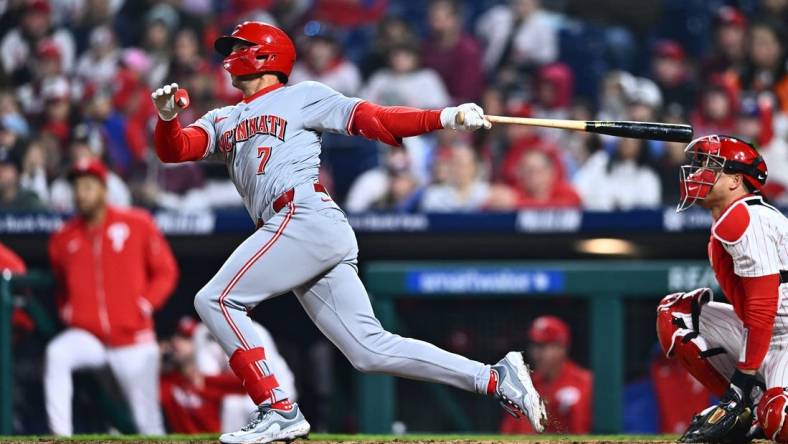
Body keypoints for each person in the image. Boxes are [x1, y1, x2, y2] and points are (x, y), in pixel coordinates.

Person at [150, 21, 546, 444]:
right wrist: (168, 119)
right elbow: (175, 150)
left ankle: (277, 408)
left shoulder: (302, 96)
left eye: (239, 46)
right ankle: (492, 378)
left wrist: (444, 117)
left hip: (302, 213)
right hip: (302, 228)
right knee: (369, 350)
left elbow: (372, 119)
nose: (230, 54)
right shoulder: (223, 117)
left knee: (216, 299)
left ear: (265, 54)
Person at [656, 135, 788, 442]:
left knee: (779, 420)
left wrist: (741, 380)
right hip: (766, 333)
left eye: (710, 166)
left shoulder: (747, 216)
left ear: (735, 181)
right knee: (675, 314)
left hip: (781, 332)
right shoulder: (731, 218)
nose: (697, 173)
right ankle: (747, 410)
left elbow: (763, 306)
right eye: (699, 164)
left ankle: (749, 402)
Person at [46, 158, 179, 436]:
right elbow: (61, 284)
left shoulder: (137, 223)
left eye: (88, 186)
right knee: (57, 353)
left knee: (148, 424)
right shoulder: (63, 237)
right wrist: (69, 311)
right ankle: (60, 436)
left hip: (133, 337)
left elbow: (166, 271)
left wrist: (145, 304)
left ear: (103, 189)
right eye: (77, 187)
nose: (81, 193)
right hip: (88, 336)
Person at [500, 316, 592, 434]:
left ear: (562, 348)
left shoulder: (585, 383)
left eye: (542, 347)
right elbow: (509, 434)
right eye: (534, 346)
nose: (536, 354)